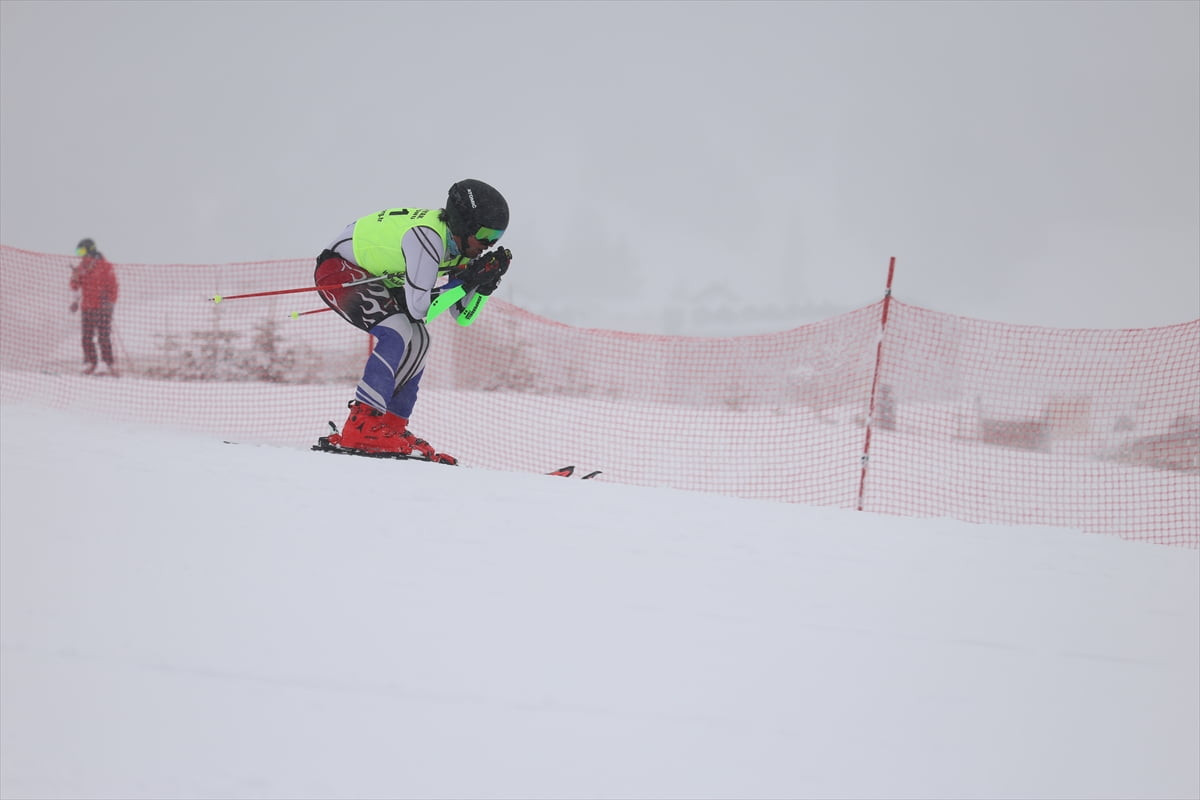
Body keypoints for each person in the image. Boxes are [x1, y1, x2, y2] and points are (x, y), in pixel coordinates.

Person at [315, 179, 512, 464]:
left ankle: (390, 425)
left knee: (420, 339)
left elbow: (462, 315)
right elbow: (420, 308)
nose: (488, 245)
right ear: (463, 224)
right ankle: (362, 425)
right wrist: (467, 280)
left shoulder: (462, 248)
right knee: (397, 330)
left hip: (376, 274)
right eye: (485, 235)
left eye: (496, 238)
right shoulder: (427, 237)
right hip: (338, 268)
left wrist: (482, 286)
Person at [69, 238, 120, 376]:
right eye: (78, 252)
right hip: (87, 307)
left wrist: (109, 302)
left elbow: (113, 287)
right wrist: (74, 297)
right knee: (86, 336)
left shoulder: (104, 266)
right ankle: (90, 362)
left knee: (103, 335)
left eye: (83, 251)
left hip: (102, 306)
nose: (81, 255)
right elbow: (75, 285)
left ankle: (107, 362)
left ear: (91, 250)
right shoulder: (81, 267)